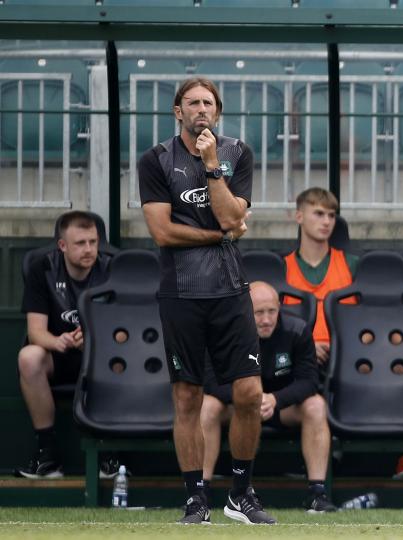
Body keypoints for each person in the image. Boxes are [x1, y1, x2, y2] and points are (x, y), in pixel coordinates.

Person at [138, 77, 274, 525]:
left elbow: (235, 214)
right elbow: (163, 232)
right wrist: (217, 236)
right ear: (177, 110)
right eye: (192, 102)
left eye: (208, 103)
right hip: (181, 294)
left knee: (250, 393)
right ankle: (196, 498)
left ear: (217, 112)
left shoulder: (237, 153)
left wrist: (213, 165)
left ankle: (240, 493)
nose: (201, 110)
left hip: (231, 291)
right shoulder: (156, 160)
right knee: (187, 398)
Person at [201, 282, 334, 514]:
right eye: (258, 313)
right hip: (239, 407)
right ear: (243, 311)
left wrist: (275, 399)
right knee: (208, 406)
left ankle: (317, 493)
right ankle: (201, 492)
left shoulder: (297, 329)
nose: (266, 319)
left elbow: (310, 381)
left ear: (279, 308)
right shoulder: (224, 333)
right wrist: (247, 399)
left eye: (271, 311)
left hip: (280, 407)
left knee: (316, 405)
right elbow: (212, 383)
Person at [16, 211, 111, 479]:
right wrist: (59, 341)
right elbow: (36, 332)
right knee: (29, 357)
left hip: (100, 360)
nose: (89, 250)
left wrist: (93, 341)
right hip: (58, 356)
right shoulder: (43, 268)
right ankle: (48, 453)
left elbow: (122, 337)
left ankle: (108, 450)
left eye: (93, 242)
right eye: (80, 243)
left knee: (118, 359)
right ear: (62, 245)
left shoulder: (110, 268)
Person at [284, 187, 358, 364]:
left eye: (331, 215)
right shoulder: (282, 267)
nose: (327, 221)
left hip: (346, 358)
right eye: (319, 213)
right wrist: (306, 346)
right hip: (294, 360)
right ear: (299, 217)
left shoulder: (352, 264)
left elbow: (369, 321)